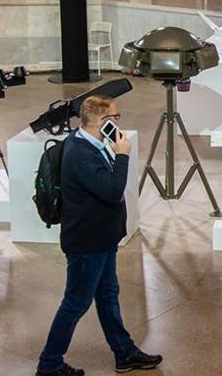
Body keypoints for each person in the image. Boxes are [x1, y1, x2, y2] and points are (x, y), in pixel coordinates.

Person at [36, 96, 162, 376]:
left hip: (101, 238)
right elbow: (112, 191)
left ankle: (124, 353)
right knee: (76, 302)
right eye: (116, 117)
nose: (119, 122)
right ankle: (49, 364)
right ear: (104, 122)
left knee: (107, 296)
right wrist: (123, 155)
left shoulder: (86, 142)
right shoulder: (81, 154)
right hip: (87, 243)